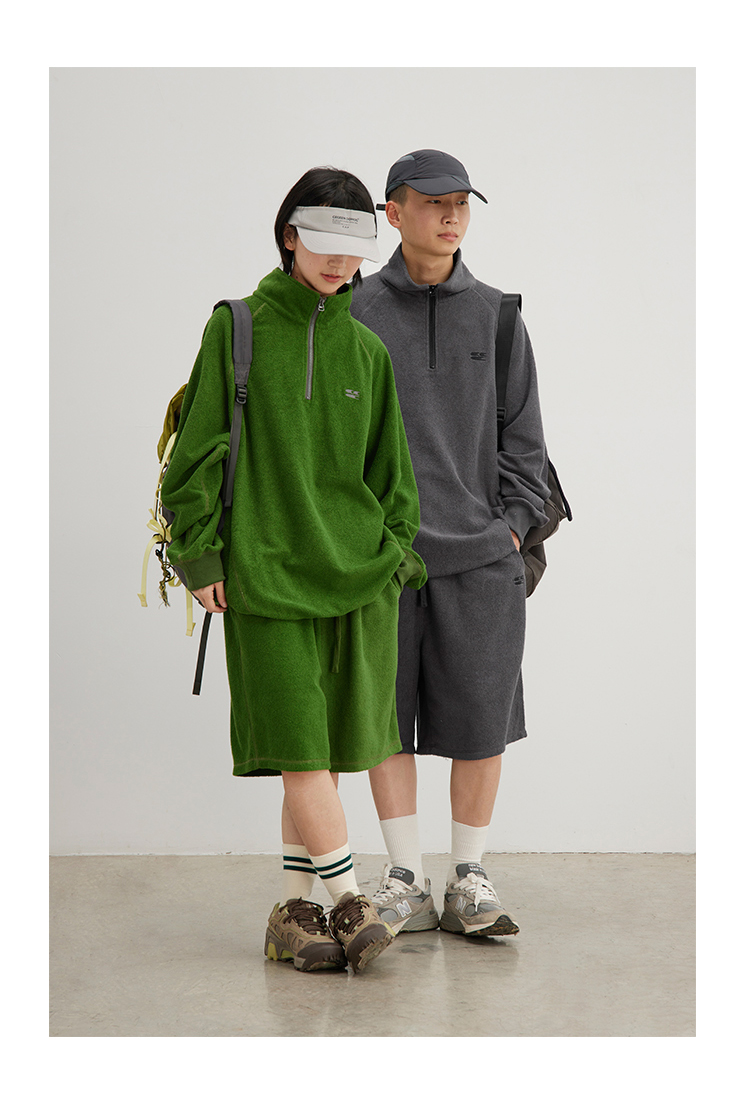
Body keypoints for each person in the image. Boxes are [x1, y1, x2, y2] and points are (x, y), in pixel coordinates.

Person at [160, 166, 426, 974]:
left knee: (320, 753)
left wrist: (395, 560)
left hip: (357, 586)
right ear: (288, 236)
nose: (341, 264)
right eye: (324, 245)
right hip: (265, 580)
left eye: (354, 250)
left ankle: (293, 911)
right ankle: (348, 900)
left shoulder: (368, 351)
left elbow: (395, 480)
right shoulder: (237, 328)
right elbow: (195, 456)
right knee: (303, 752)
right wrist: (200, 554)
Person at [350, 149, 550, 938]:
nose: (451, 215)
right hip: (382, 562)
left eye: (461, 202)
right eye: (433, 202)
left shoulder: (498, 315)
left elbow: (525, 444)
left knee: (481, 721)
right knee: (383, 720)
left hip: (481, 560)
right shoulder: (354, 311)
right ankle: (404, 876)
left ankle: (468, 876)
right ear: (393, 213)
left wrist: (509, 530)